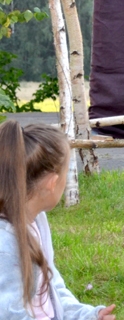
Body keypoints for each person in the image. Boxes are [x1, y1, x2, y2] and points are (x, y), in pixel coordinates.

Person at [0, 121, 117, 319]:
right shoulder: (5, 244)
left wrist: (86, 315)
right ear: (52, 183)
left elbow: (51, 287)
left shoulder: (38, 221)